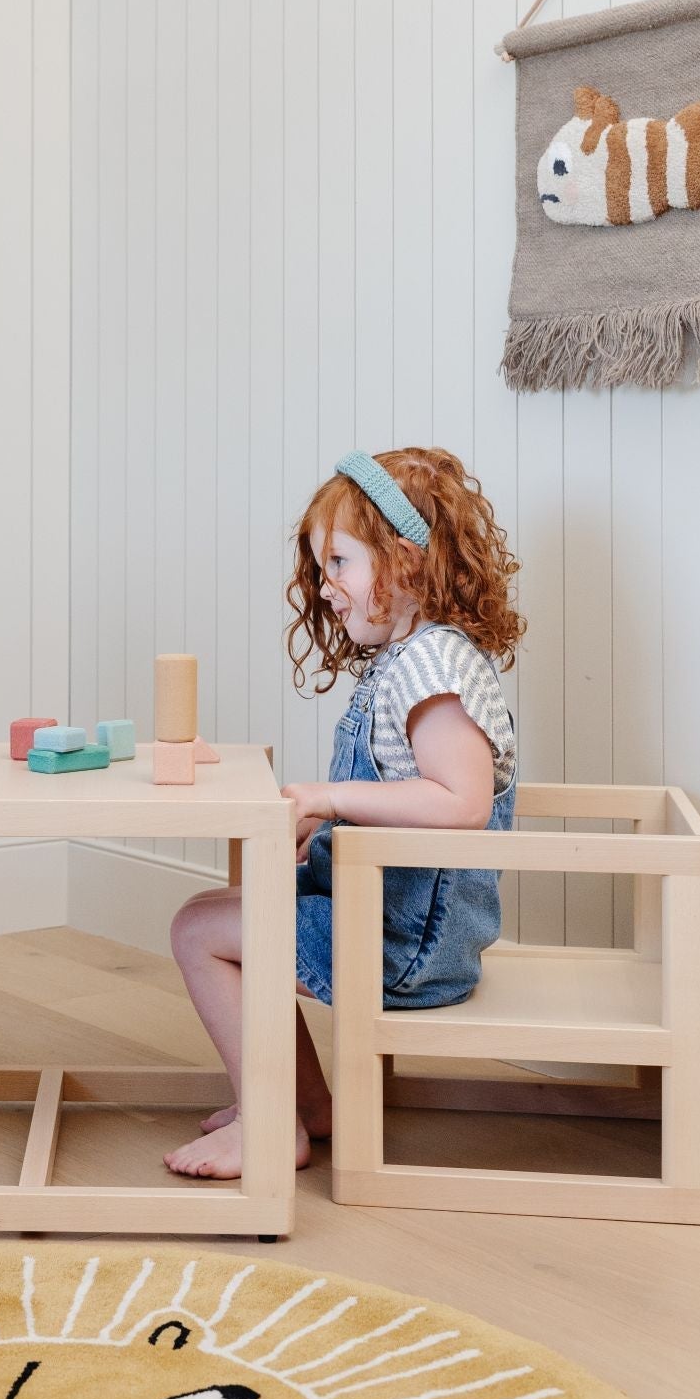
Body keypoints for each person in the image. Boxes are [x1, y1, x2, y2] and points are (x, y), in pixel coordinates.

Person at [164, 446, 524, 1180]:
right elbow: (402, 798)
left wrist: (326, 800)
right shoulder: (408, 658)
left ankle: (272, 1124)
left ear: (408, 562)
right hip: (384, 914)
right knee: (223, 908)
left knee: (200, 931)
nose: (326, 587)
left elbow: (461, 803)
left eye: (340, 564)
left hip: (409, 945)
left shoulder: (431, 665)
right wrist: (322, 836)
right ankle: (307, 1103)